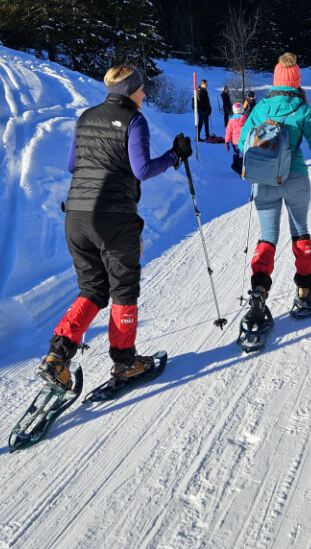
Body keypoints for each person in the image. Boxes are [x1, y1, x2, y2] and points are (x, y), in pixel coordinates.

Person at [39, 65, 192, 390]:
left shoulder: (85, 118)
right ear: (130, 91)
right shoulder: (134, 120)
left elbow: (71, 165)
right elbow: (143, 169)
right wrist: (174, 156)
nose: (145, 94)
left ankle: (57, 356)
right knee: (123, 289)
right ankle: (125, 364)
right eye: (141, 89)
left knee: (92, 288)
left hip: (77, 216)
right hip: (113, 219)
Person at [238, 52, 311, 321]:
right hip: (295, 178)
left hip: (264, 181)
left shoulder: (260, 108)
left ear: (276, 81)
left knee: (267, 236)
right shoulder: (302, 109)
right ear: (297, 82)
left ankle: (258, 291)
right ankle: (304, 291)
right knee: (300, 232)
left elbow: (243, 142)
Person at [224, 101, 248, 174]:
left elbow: (228, 132)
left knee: (236, 154)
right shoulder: (245, 118)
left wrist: (227, 142)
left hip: (234, 142)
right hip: (244, 140)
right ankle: (241, 169)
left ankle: (236, 166)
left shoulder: (231, 120)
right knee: (242, 155)